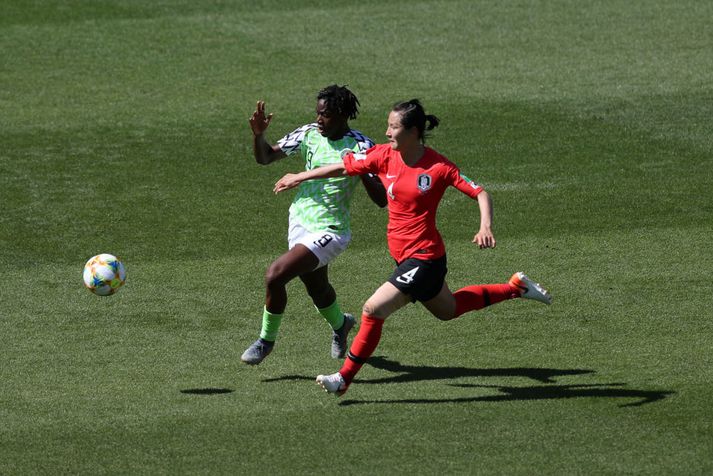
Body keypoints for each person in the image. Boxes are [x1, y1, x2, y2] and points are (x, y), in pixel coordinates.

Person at [273, 99, 552, 396]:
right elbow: (345, 166)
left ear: (413, 131)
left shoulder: (439, 167)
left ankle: (343, 379)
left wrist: (485, 226)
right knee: (450, 309)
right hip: (406, 258)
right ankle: (516, 288)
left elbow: (480, 192)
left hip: (426, 258)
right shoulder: (384, 155)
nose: (387, 132)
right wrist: (299, 176)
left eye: (394, 127)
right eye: (388, 125)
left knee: (372, 309)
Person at [241, 85, 387, 365]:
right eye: (318, 113)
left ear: (343, 115)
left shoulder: (362, 146)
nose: (320, 119)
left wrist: (363, 167)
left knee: (275, 275)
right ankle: (341, 325)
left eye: (327, 115)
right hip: (300, 222)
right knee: (317, 287)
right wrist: (259, 136)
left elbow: (382, 199)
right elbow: (266, 157)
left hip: (331, 231)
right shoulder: (308, 132)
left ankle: (265, 342)